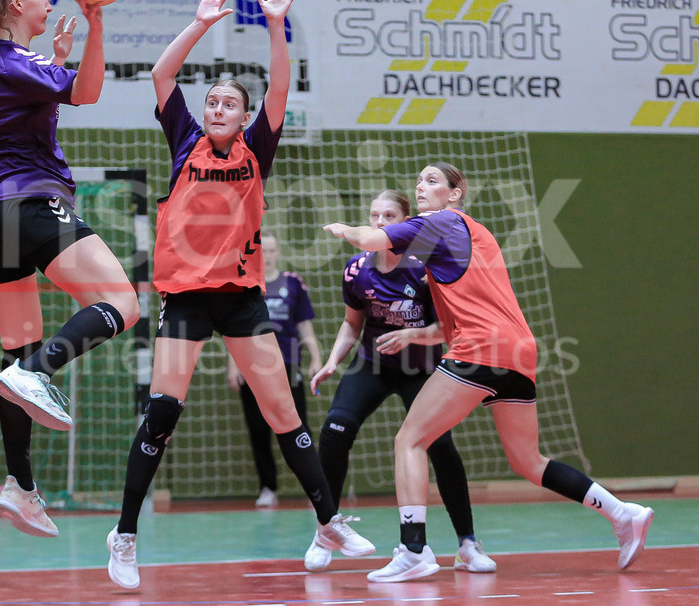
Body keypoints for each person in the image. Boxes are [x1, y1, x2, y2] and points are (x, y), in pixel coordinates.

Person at [105, 0, 374, 591]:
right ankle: (124, 535)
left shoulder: (257, 150)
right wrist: (200, 23)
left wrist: (277, 24)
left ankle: (328, 520)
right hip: (186, 300)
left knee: (283, 412)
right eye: (214, 103)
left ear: (247, 117)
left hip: (242, 298)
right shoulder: (184, 143)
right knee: (163, 412)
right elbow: (160, 76)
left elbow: (281, 83)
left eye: (230, 104)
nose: (219, 109)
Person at [324, 162, 654, 582]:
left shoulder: (437, 223)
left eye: (432, 181)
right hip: (518, 351)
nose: (421, 186)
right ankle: (624, 513)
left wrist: (344, 228)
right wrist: (411, 335)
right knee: (527, 461)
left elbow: (371, 239)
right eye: (420, 180)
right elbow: (446, 324)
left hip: (480, 349)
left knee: (410, 440)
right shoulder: (468, 238)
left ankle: (413, 551)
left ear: (455, 193)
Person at [0, 0, 140, 538]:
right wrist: (97, 23)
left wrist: (57, 58)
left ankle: (21, 490)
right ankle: (42, 372)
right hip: (28, 201)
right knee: (125, 303)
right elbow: (86, 93)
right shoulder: (10, 59)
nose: (48, 1)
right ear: (16, 3)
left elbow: (47, 99)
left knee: (18, 348)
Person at [305, 189, 494, 574]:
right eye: (374, 215)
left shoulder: (425, 268)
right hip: (373, 365)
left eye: (388, 216)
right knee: (335, 430)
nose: (378, 223)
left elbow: (449, 327)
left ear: (405, 223)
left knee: (440, 447)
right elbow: (351, 324)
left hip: (421, 370)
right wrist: (330, 361)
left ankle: (468, 544)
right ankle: (326, 529)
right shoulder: (357, 269)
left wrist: (412, 336)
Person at [224, 233, 320, 508]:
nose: (267, 255)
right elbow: (234, 330)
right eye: (262, 251)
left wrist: (315, 358)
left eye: (272, 250)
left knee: (297, 426)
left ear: (278, 252)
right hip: (252, 366)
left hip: (288, 366)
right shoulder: (245, 285)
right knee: (258, 430)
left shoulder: (293, 283)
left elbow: (304, 325)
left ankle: (314, 489)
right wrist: (234, 366)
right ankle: (268, 487)